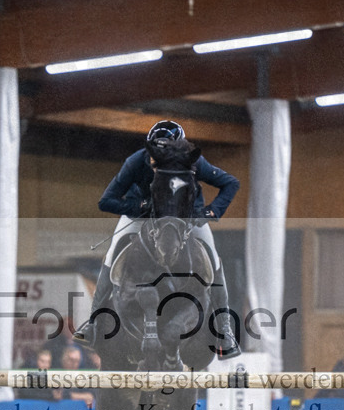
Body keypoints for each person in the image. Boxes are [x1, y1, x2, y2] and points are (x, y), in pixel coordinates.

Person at [73, 120, 241, 359]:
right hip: (141, 216)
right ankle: (93, 323)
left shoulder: (193, 161)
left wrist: (210, 211)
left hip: (185, 218)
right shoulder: (136, 161)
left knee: (213, 259)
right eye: (153, 154)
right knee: (112, 254)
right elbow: (106, 201)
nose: (154, 161)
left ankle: (224, 329)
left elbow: (230, 183)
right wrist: (140, 205)